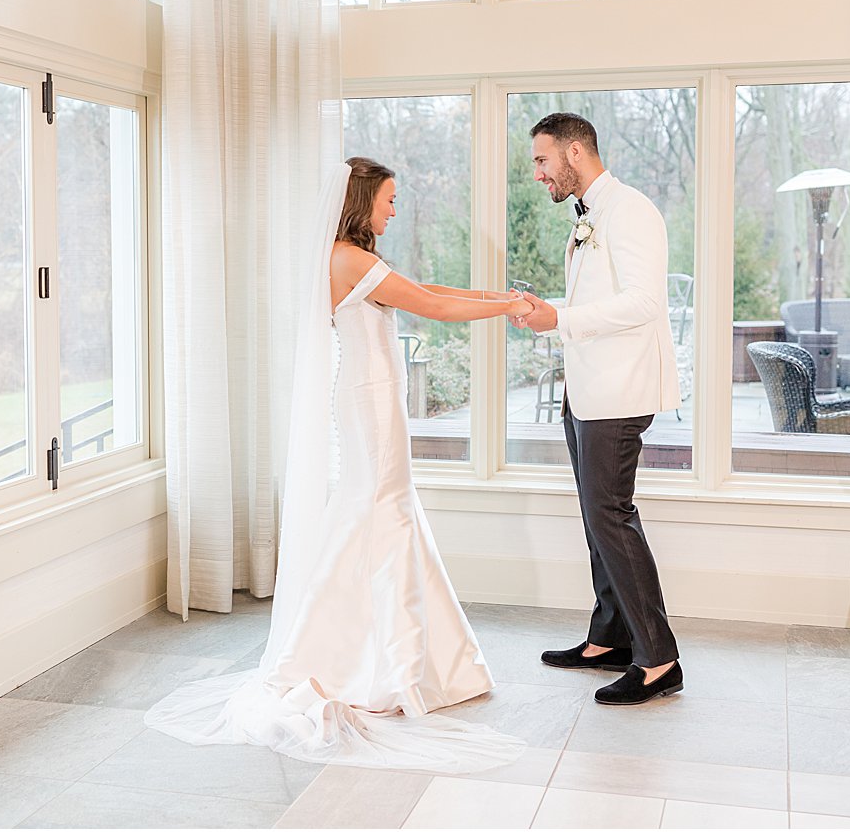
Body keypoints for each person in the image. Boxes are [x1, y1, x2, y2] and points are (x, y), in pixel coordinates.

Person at [145, 157, 529, 771]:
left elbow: (431, 290)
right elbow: (430, 305)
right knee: (379, 509)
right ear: (361, 200)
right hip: (370, 402)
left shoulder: (355, 255)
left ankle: (406, 657)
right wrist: (503, 307)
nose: (394, 209)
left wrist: (503, 297)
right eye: (389, 199)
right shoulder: (347, 259)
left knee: (381, 510)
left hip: (375, 396)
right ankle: (375, 663)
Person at [510, 112, 685, 707]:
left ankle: (659, 658)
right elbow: (597, 301)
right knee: (595, 518)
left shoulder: (630, 210)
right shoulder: (590, 215)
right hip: (585, 390)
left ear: (576, 152)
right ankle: (610, 637)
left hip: (618, 392)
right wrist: (547, 310)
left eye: (542, 160)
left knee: (611, 515)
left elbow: (643, 303)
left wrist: (559, 318)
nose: (537, 173)